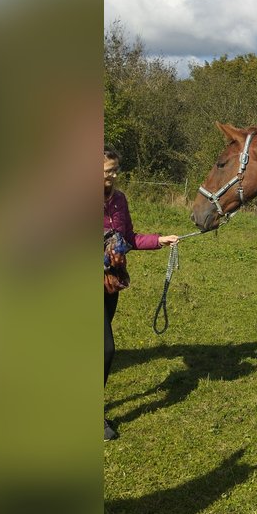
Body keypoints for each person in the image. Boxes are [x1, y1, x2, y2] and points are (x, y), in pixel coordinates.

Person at [103, 147, 178, 441]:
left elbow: (131, 238)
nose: (114, 174)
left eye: (115, 169)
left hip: (111, 284)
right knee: (105, 349)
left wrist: (161, 239)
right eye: (109, 169)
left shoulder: (119, 200)